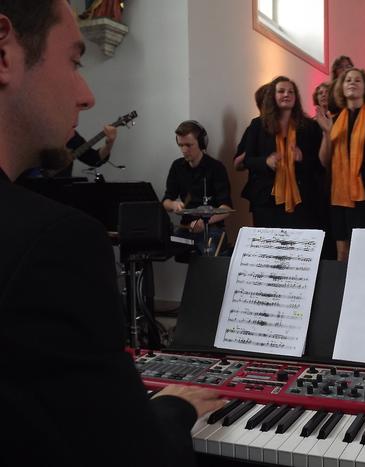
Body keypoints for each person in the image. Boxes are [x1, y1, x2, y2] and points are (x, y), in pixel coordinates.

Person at [0, 2, 226, 466]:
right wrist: (172, 408)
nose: (87, 96)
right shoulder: (55, 242)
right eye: (75, 62)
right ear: (4, 54)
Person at [316, 67, 365, 261]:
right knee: (342, 252)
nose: (352, 83)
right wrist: (327, 133)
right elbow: (324, 160)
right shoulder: (334, 119)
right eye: (348, 80)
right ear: (341, 87)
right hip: (339, 193)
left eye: (358, 80)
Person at [243, 76, 324, 228]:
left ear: (296, 97)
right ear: (272, 96)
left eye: (291, 92)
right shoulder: (258, 125)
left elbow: (320, 164)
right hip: (266, 199)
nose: (286, 94)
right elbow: (248, 160)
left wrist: (302, 158)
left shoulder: (309, 126)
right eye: (281, 91)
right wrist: (266, 162)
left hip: (302, 200)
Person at [162, 120, 233, 255]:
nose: (184, 150)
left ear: (201, 143)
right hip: (186, 228)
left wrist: (204, 221)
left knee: (209, 253)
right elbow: (165, 201)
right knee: (157, 245)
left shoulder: (216, 168)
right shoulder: (177, 166)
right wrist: (173, 204)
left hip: (212, 228)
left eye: (189, 145)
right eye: (181, 145)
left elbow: (226, 209)